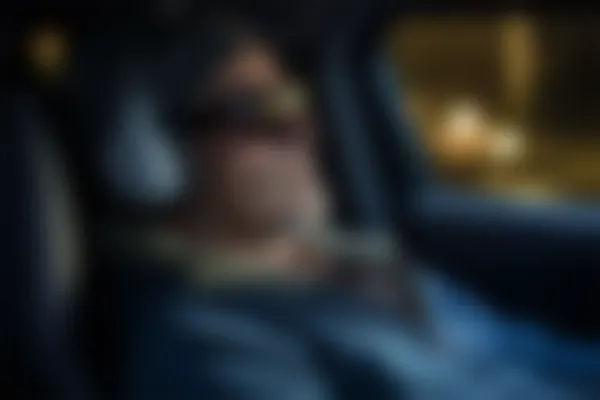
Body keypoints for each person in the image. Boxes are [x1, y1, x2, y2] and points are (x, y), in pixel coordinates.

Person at [103, 17, 428, 400]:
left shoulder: (365, 263)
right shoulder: (211, 342)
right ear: (161, 155)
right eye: (258, 111)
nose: (304, 130)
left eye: (295, 101)